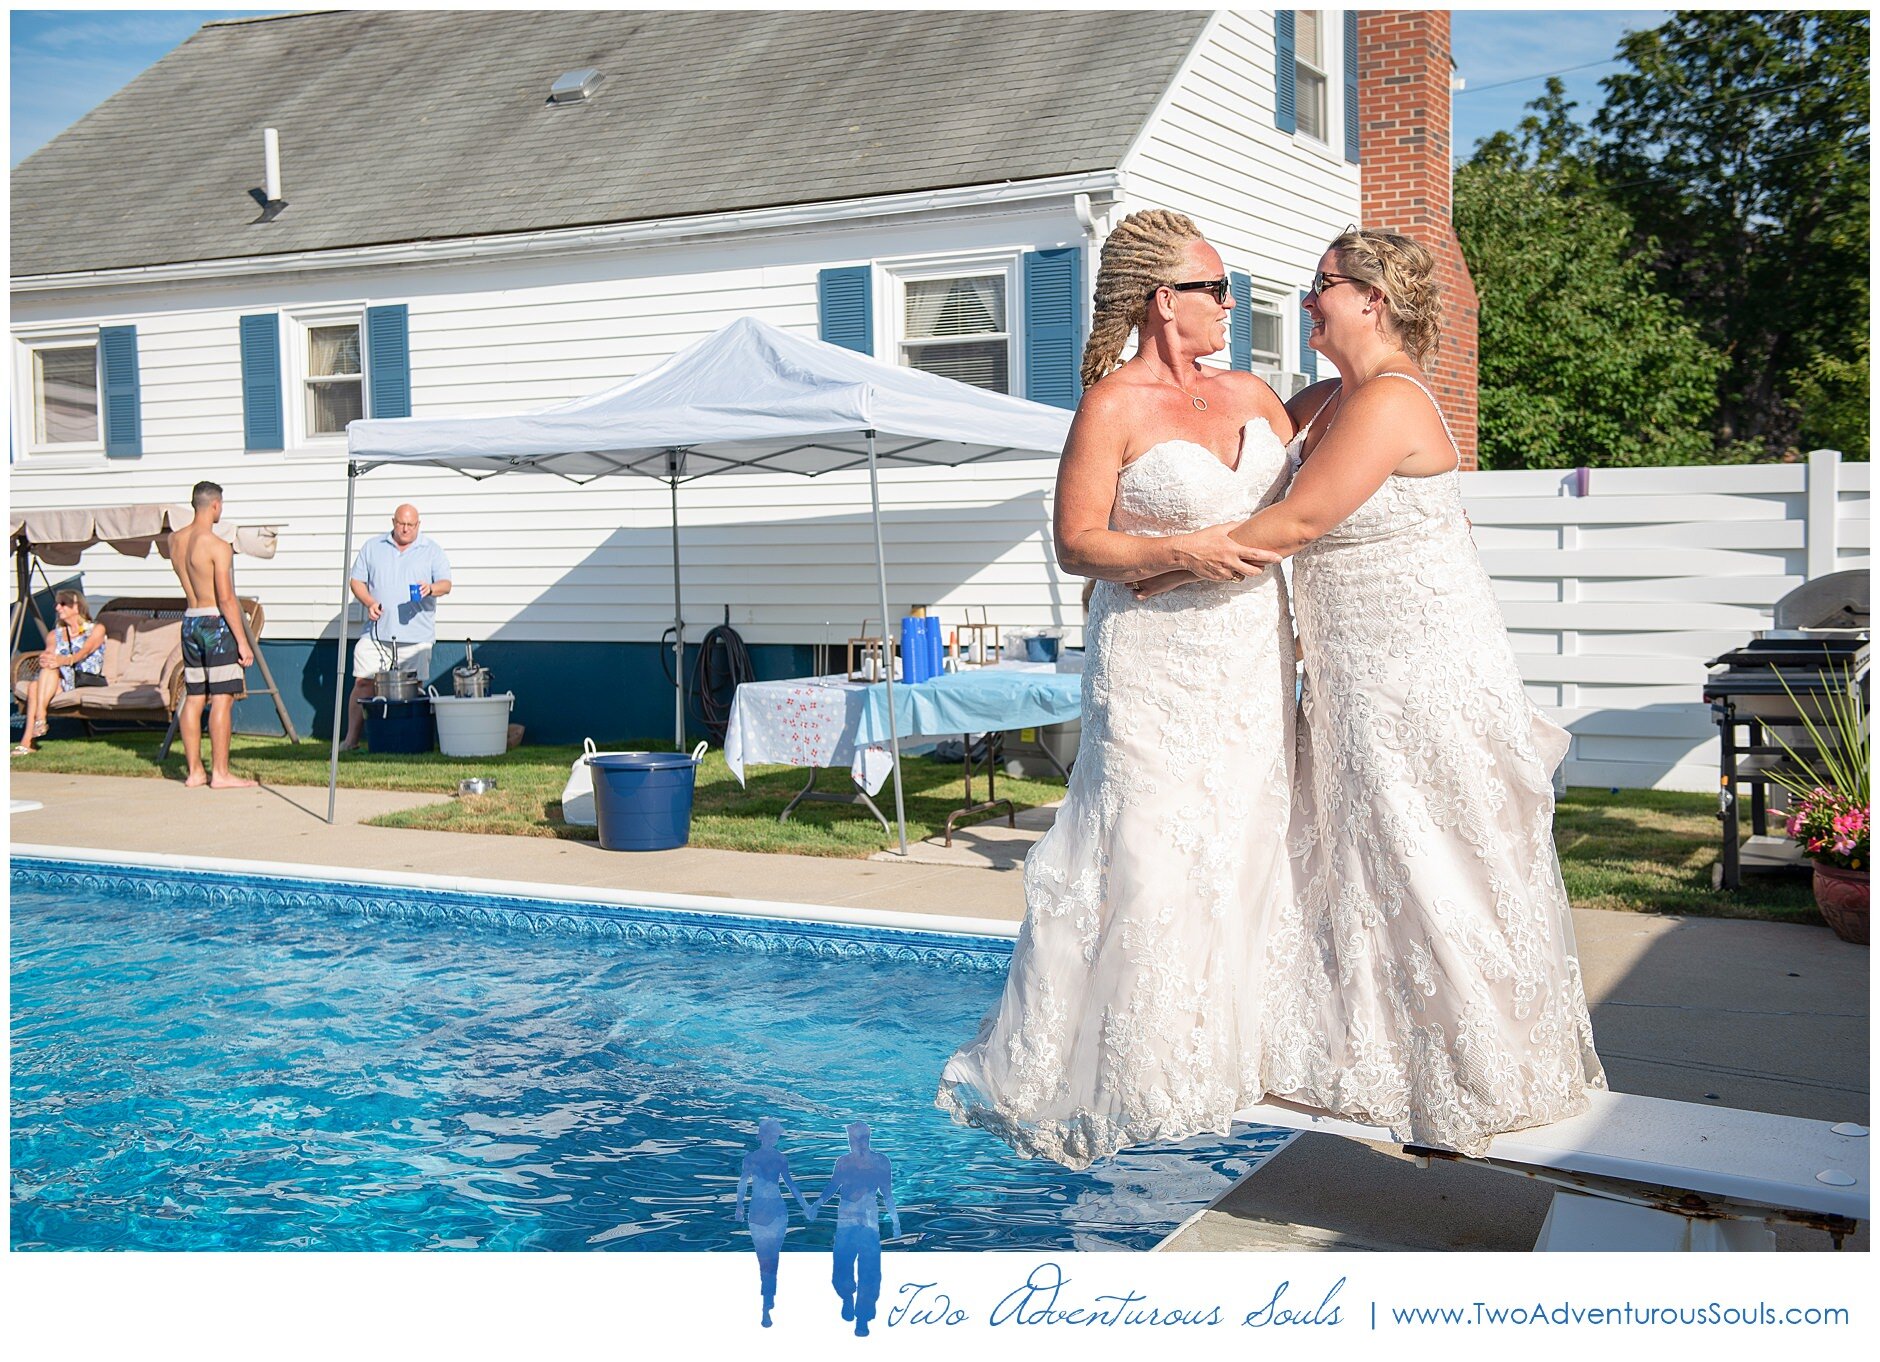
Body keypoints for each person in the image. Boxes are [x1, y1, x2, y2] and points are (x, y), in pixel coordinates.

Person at [1133, 228, 1606, 1156]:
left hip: (1421, 673)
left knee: (1439, 864)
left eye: (1321, 287)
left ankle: (1485, 1074)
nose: (1306, 301)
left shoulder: (1390, 402)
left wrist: (1150, 572)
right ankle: (1390, 1062)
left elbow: (1297, 518)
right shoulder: (1321, 402)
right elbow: (1238, 452)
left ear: (1372, 301)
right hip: (1352, 679)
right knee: (1365, 869)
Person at [935, 209, 1298, 1169]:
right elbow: (1077, 544)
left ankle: (1238, 1052)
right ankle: (1140, 1065)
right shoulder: (1111, 406)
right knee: (1146, 846)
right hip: (1153, 665)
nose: (1232, 305)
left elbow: (1304, 506)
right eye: (1217, 289)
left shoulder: (1259, 395)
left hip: (1253, 658)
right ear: (1162, 300)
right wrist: (1179, 552)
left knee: (1244, 840)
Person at [339, 504, 452, 752]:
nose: (405, 529)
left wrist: (430, 589)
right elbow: (356, 581)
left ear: (418, 525)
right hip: (377, 632)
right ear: (393, 521)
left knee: (414, 689)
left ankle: (411, 742)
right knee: (363, 683)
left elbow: (446, 584)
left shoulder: (430, 550)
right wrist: (369, 602)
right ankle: (351, 740)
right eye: (401, 523)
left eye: (411, 525)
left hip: (416, 635)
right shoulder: (374, 547)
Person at [169, 481, 257, 788]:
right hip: (215, 625)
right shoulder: (218, 547)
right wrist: (243, 643)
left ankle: (194, 771)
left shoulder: (175, 541)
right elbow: (226, 599)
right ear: (215, 506)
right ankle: (220, 773)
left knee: (194, 697)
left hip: (190, 621)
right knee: (222, 698)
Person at [807, 1122, 900, 1338]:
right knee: (842, 1266)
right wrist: (817, 1204)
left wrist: (895, 1221)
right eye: (849, 1139)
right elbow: (833, 1186)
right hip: (847, 1221)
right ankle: (848, 1298)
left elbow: (887, 1193)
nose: (850, 1143)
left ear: (864, 1139)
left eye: (853, 1139)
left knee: (869, 1271)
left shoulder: (880, 1162)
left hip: (868, 1222)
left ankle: (863, 1318)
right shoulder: (843, 1162)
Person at [733, 1118, 811, 1329]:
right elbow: (744, 1182)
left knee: (768, 1257)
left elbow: (789, 1184)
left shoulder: (767, 1158)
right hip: (768, 1211)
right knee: (766, 1257)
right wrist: (739, 1206)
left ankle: (767, 1297)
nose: (775, 1138)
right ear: (764, 1136)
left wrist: (805, 1206)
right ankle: (768, 1296)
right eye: (773, 1134)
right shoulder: (766, 1158)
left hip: (768, 1210)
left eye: (776, 1135)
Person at [13, 589, 106, 755]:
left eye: (63, 604)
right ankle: (31, 737)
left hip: (81, 677)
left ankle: (32, 734)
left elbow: (85, 651)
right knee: (38, 681)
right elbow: (49, 653)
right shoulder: (53, 634)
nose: (57, 608)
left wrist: (64, 660)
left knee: (37, 684)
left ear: (77, 607)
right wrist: (45, 658)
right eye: (57, 604)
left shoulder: (96, 629)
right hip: (57, 679)